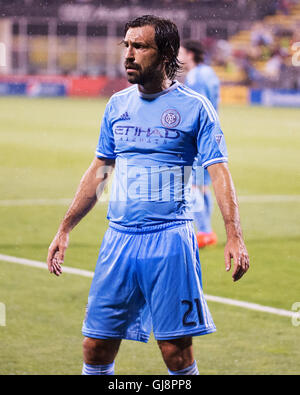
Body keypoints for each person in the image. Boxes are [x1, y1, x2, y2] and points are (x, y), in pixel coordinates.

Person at [47, 15, 249, 376]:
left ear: (166, 52)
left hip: (170, 241)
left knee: (176, 352)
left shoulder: (194, 107)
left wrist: (234, 234)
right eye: (126, 45)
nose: (128, 54)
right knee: (95, 347)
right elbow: (99, 170)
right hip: (118, 240)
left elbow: (219, 171)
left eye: (139, 46)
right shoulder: (117, 105)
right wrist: (64, 229)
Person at [179, 40, 220, 248]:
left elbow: (198, 106)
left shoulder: (195, 75)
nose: (179, 57)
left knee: (192, 185)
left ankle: (203, 232)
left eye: (182, 53)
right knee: (204, 187)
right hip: (213, 132)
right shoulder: (209, 72)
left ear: (190, 54)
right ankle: (207, 232)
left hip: (199, 134)